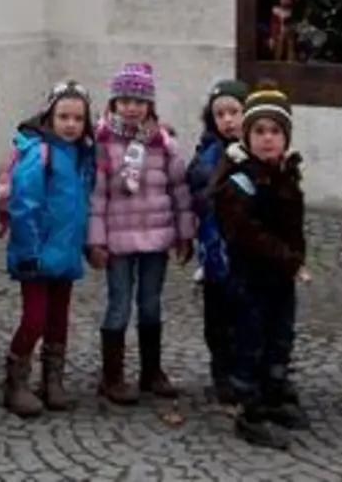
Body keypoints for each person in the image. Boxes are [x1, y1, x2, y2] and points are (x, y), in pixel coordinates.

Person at [86, 62, 193, 405]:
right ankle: (112, 376)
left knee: (151, 304)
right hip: (118, 238)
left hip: (156, 237)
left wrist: (185, 232)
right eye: (125, 100)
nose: (132, 107)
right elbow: (97, 196)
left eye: (139, 101)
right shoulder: (102, 142)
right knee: (119, 304)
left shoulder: (163, 143)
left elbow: (180, 190)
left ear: (150, 105)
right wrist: (96, 240)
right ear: (114, 103)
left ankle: (152, 371)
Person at [213, 87, 308, 448]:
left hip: (281, 277)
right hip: (249, 277)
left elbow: (294, 224)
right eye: (260, 132)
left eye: (275, 132)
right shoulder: (238, 181)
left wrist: (294, 258)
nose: (268, 139)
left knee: (279, 336)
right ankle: (248, 409)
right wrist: (289, 259)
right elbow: (246, 234)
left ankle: (273, 395)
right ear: (247, 136)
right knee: (249, 341)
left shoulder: (286, 172)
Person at [1, 80, 96, 418]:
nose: (70, 124)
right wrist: (28, 252)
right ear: (49, 117)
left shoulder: (84, 154)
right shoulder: (38, 153)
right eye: (64, 117)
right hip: (37, 255)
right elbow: (24, 204)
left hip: (65, 252)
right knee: (35, 318)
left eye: (78, 118)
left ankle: (52, 379)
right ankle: (16, 380)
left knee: (58, 319)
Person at [185, 79, 248, 404]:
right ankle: (221, 372)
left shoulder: (260, 149)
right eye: (220, 114)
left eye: (234, 112)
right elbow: (198, 196)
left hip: (250, 256)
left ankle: (246, 371)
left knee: (248, 317)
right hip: (216, 254)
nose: (228, 120)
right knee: (218, 319)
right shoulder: (207, 156)